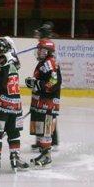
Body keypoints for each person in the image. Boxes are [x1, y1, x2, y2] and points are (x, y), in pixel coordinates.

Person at [0, 37, 30, 174]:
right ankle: (15, 160)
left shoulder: (0, 62)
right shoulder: (14, 61)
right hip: (16, 106)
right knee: (14, 133)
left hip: (1, 106)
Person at [25, 39, 62, 168]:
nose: (39, 52)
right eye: (39, 49)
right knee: (40, 130)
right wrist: (34, 82)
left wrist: (37, 84)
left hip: (47, 104)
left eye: (42, 50)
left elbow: (54, 83)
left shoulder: (49, 63)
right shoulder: (44, 62)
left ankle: (47, 157)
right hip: (40, 103)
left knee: (46, 130)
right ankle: (43, 154)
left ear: (48, 51)